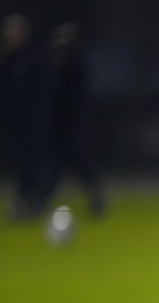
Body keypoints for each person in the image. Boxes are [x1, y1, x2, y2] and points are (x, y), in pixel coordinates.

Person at [37, 23, 107, 217]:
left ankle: (97, 199)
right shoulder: (53, 69)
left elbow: (78, 103)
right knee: (53, 170)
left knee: (82, 168)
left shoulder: (76, 70)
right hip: (59, 130)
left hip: (73, 130)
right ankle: (41, 202)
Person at [0, 13, 48, 221]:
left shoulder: (33, 58)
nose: (11, 39)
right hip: (12, 124)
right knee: (20, 164)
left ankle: (29, 201)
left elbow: (41, 91)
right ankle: (28, 201)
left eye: (14, 34)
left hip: (32, 123)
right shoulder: (8, 62)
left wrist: (41, 117)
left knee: (31, 163)